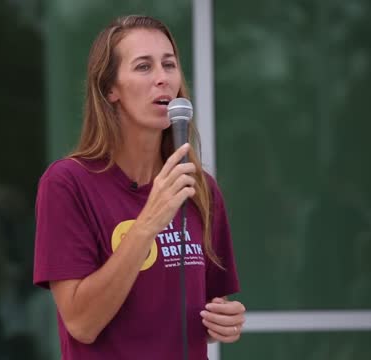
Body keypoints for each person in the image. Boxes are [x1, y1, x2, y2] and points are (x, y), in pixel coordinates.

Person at [33, 15, 246, 359]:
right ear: (110, 89)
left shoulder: (199, 187)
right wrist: (149, 222)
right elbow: (82, 323)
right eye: (144, 67)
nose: (163, 79)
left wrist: (224, 320)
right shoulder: (68, 183)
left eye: (169, 65)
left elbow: (198, 310)